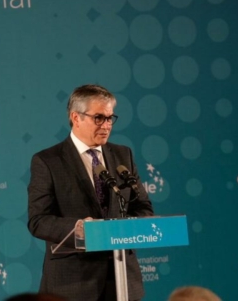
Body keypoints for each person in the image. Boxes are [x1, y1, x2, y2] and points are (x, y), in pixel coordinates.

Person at [28, 84, 154, 300]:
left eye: (110, 118)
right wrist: (79, 228)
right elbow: (38, 221)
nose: (106, 125)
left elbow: (143, 206)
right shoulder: (48, 161)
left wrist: (130, 226)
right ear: (76, 117)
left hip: (122, 279)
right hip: (74, 283)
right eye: (99, 118)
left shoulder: (123, 155)